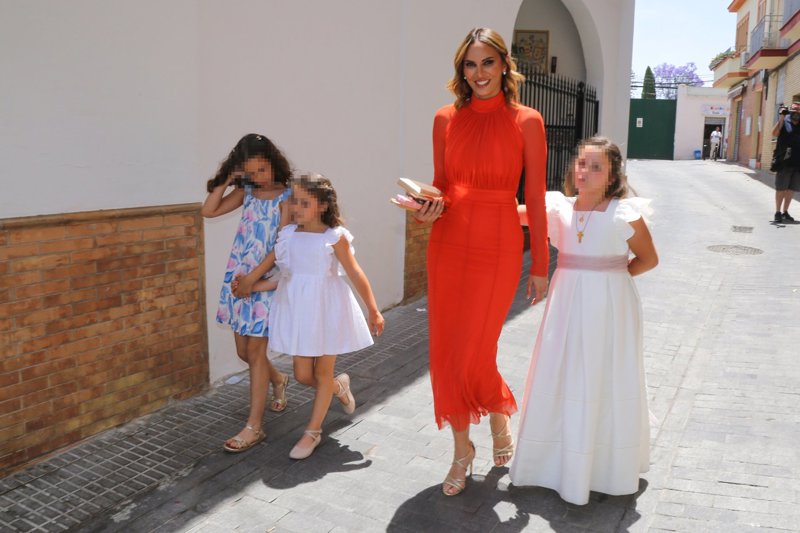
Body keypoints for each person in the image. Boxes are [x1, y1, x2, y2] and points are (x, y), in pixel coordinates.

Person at [413, 27, 549, 496]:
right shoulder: (444, 119)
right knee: (448, 350)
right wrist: (427, 207)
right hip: (449, 241)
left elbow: (535, 197)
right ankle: (461, 449)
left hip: (499, 244)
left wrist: (541, 264)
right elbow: (441, 185)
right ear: (462, 70)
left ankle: (497, 413)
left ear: (504, 65)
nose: (479, 73)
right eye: (470, 65)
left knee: (475, 349)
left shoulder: (527, 120)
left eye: (487, 62)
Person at [510, 136, 658, 505]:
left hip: (610, 307)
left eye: (596, 167)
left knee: (604, 374)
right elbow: (510, 213)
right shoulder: (557, 208)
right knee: (563, 370)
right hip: (566, 303)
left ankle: (604, 465)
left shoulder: (624, 213)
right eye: (581, 163)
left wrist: (611, 275)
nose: (585, 171)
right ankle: (553, 462)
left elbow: (649, 259)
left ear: (612, 176)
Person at [268, 173, 385, 460]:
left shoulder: (334, 237)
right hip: (300, 311)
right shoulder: (288, 234)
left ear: (322, 205)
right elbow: (285, 273)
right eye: (294, 201)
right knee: (302, 375)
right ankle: (339, 386)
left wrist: (373, 309)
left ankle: (313, 432)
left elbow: (355, 272)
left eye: (304, 202)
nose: (296, 208)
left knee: (321, 373)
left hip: (328, 309)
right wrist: (253, 285)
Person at [201, 133, 293, 453]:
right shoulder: (247, 192)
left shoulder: (289, 196)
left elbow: (282, 245)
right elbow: (209, 211)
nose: (258, 177)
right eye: (251, 172)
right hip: (239, 280)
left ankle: (254, 427)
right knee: (244, 353)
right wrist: (228, 178)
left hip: (264, 281)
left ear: (274, 162)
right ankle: (278, 379)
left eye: (262, 169)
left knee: (254, 353)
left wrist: (254, 279)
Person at [771, 103, 800, 223]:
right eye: (794, 110)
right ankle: (778, 212)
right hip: (784, 161)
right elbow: (774, 134)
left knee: (791, 189)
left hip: (798, 162)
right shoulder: (785, 121)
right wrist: (781, 117)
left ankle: (785, 211)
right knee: (781, 188)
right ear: (790, 111)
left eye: (798, 111)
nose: (796, 113)